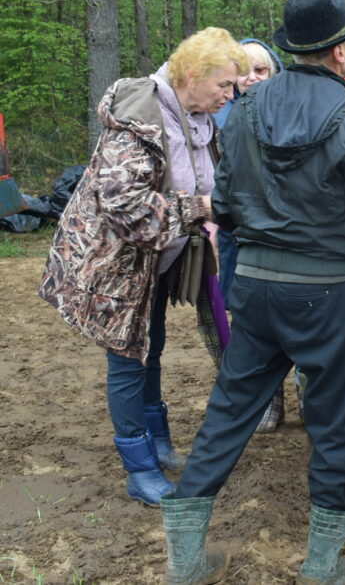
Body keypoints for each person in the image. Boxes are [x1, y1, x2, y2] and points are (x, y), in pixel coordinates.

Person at [156, 0, 345, 584]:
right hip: (330, 297)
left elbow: (224, 208)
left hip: (256, 288)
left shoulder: (245, 109)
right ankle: (321, 565)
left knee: (229, 411)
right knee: (339, 422)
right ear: (339, 51)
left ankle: (184, 559)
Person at [39, 27, 250, 506]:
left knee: (151, 347)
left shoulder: (199, 120)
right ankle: (139, 469)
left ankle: (156, 442)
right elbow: (126, 206)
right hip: (114, 264)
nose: (229, 94)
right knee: (127, 360)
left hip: (156, 260)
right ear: (191, 75)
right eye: (223, 84)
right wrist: (200, 208)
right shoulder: (140, 119)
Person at [210, 38, 291, 432]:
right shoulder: (219, 117)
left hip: (287, 232)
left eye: (261, 70)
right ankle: (268, 400)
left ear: (275, 72)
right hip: (238, 235)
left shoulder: (294, 111)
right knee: (251, 324)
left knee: (296, 317)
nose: (252, 77)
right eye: (244, 71)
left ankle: (307, 391)